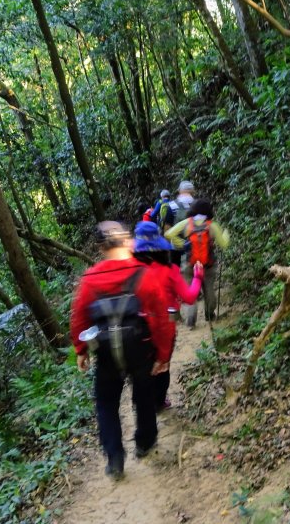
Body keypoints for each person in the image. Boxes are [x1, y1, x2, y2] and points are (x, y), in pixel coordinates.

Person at [70, 221, 174, 481]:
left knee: (106, 402)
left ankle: (115, 458)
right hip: (139, 347)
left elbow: (79, 317)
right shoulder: (143, 273)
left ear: (101, 248)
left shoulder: (90, 279)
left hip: (105, 351)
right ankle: (145, 443)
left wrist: (81, 349)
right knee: (143, 394)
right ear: (128, 241)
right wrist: (163, 355)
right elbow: (161, 318)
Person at [132, 221, 205, 411]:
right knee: (163, 365)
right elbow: (189, 297)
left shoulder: (130, 270)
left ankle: (143, 403)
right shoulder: (169, 270)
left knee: (142, 367)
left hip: (138, 328)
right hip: (166, 326)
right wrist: (197, 277)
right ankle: (159, 401)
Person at [165, 199, 228, 328]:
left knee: (190, 292)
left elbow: (168, 234)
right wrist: (226, 234)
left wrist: (182, 244)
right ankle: (209, 315)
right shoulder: (212, 225)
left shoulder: (187, 223)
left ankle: (191, 320)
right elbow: (224, 244)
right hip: (208, 265)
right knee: (209, 291)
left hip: (190, 264)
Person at [166, 181, 195, 265]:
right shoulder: (197, 205)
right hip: (193, 243)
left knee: (176, 269)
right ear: (193, 192)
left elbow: (168, 226)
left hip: (176, 244)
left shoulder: (171, 205)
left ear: (179, 191)